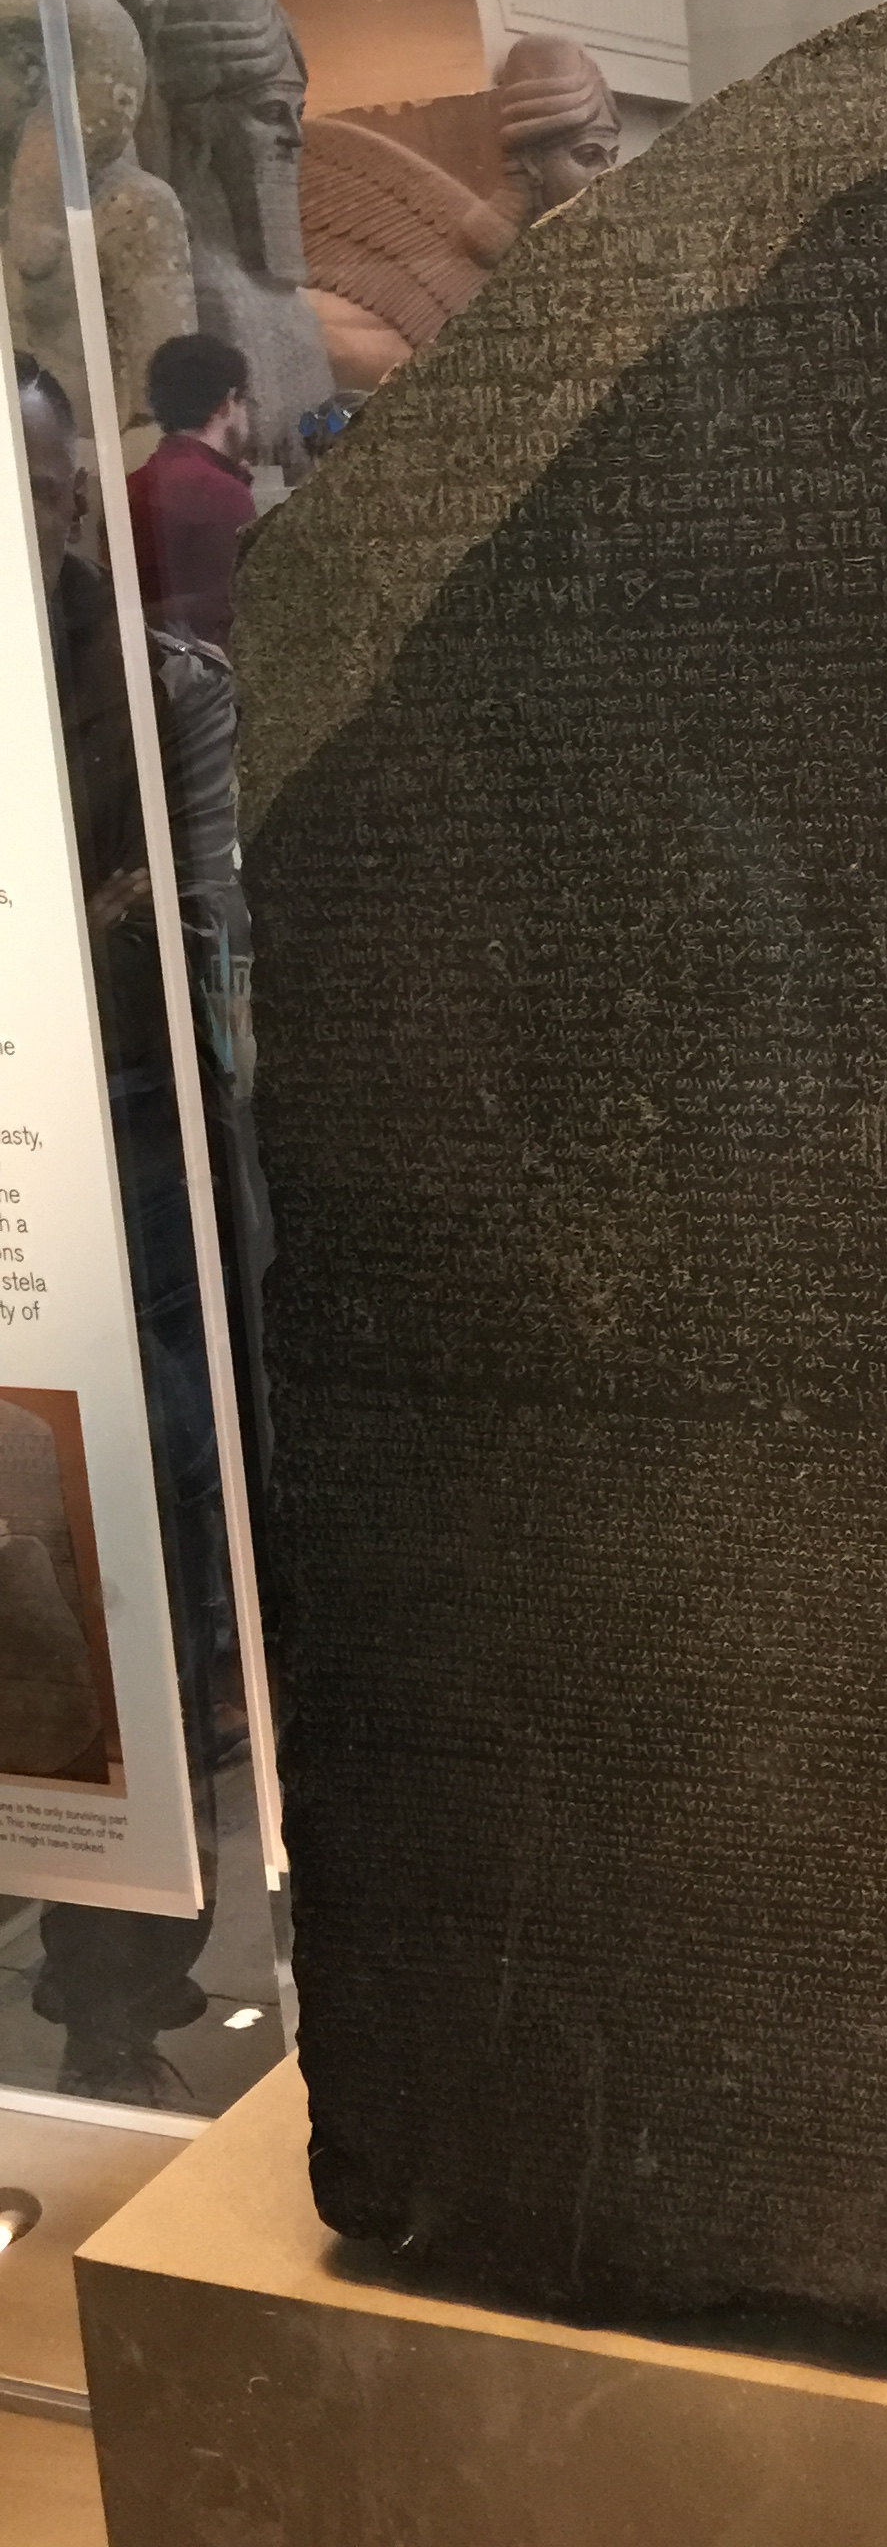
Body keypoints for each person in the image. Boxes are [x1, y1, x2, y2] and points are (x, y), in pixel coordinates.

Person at [14, 358, 224, 2098]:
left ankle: (113, 1995)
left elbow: (185, 942)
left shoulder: (155, 692)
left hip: (114, 1160)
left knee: (126, 1553)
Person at [125, 332, 254, 650]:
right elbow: (241, 617)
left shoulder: (134, 484)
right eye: (244, 402)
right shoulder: (223, 494)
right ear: (227, 403)